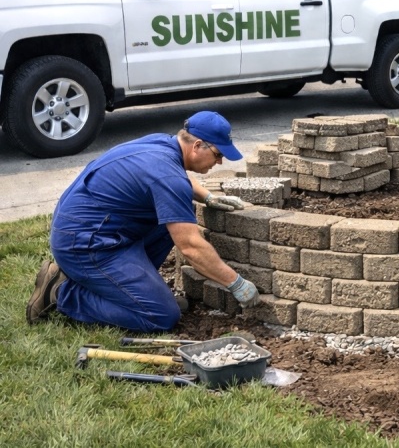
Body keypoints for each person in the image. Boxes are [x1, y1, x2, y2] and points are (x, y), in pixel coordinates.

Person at [26, 111, 260, 332]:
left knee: (179, 211)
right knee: (162, 315)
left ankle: (135, 293)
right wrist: (235, 283)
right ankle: (62, 292)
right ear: (197, 145)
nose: (219, 162)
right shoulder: (168, 176)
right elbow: (190, 247)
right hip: (84, 245)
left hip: (88, 228)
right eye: (218, 154)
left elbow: (173, 177)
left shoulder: (162, 144)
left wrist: (207, 197)